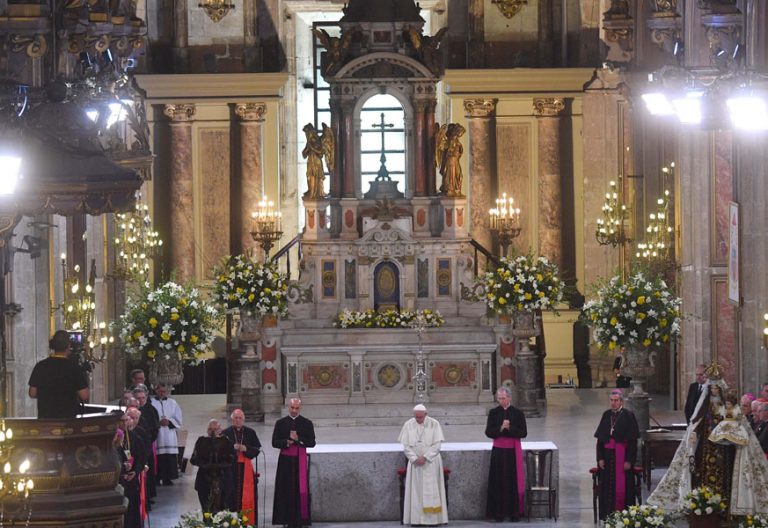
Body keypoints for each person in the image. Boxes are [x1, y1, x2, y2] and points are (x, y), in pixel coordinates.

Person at [648, 362, 768, 515]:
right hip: (706, 447)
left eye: (717, 389)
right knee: (703, 473)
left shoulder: (728, 406)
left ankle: (725, 506)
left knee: (725, 474)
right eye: (712, 388)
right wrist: (693, 434)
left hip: (724, 447)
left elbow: (738, 424)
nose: (714, 391)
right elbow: (698, 422)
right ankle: (705, 504)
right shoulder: (705, 405)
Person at [398, 403, 448, 526]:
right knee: (416, 492)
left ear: (426, 414)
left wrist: (425, 457)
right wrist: (415, 458)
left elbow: (437, 445)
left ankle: (433, 520)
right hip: (415, 464)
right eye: (416, 417)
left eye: (420, 417)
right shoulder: (408, 424)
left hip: (431, 462)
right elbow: (405, 446)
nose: (418, 419)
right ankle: (416, 519)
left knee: (432, 490)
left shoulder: (434, 424)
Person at [594, 389, 639, 520]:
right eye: (611, 400)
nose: (613, 403)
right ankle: (608, 515)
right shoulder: (606, 415)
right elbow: (600, 440)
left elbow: (632, 442)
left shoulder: (628, 415)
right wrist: (600, 458)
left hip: (622, 457)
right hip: (608, 458)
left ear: (621, 402)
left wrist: (629, 461)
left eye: (616, 400)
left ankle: (624, 515)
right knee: (607, 487)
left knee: (624, 487)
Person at [485, 387, 527, 522]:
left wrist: (510, 428)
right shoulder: (493, 413)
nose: (501, 401)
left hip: (512, 453)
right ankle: (498, 514)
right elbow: (488, 432)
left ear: (509, 398)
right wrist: (500, 428)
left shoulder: (518, 413)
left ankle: (514, 513)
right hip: (498, 453)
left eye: (503, 398)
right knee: (498, 481)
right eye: (499, 398)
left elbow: (523, 433)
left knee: (512, 482)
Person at [272, 398, 316, 528]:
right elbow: (274, 442)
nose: (294, 410)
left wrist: (299, 439)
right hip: (285, 462)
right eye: (292, 408)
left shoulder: (307, 423)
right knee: (285, 489)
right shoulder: (280, 423)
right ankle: (285, 519)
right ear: (288, 407)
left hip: (300, 461)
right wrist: (287, 442)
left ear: (300, 408)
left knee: (300, 490)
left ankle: (300, 520)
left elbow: (312, 442)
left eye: (297, 408)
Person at [28, 330, 89, 419]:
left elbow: (32, 393)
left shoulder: (40, 366)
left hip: (45, 420)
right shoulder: (74, 367)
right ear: (69, 345)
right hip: (68, 421)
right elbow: (84, 395)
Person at [223, 409, 261, 521]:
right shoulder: (226, 433)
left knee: (247, 496)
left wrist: (246, 449)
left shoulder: (250, 432)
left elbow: (257, 449)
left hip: (246, 470)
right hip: (231, 470)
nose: (238, 420)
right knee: (230, 495)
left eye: (240, 418)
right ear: (232, 419)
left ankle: (247, 521)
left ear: (243, 419)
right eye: (236, 418)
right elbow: (221, 451)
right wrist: (232, 449)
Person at [190, 419, 235, 514]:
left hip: (223, 479)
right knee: (207, 510)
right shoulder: (201, 441)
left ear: (220, 429)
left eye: (215, 429)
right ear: (207, 430)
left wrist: (220, 463)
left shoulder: (226, 441)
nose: (213, 432)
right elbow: (193, 459)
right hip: (204, 480)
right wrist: (205, 464)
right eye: (210, 429)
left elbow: (233, 458)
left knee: (223, 511)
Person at [118, 409, 147, 528]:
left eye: (126, 420)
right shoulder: (112, 439)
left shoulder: (134, 437)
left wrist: (135, 471)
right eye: (122, 421)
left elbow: (142, 457)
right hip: (119, 481)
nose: (125, 423)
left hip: (131, 480)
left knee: (133, 510)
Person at [151, 383, 182, 486]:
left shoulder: (173, 403)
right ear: (156, 390)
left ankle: (167, 478)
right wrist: (157, 423)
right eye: (160, 391)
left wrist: (169, 422)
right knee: (158, 457)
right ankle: (156, 478)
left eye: (164, 391)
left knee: (169, 456)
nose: (162, 393)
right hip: (158, 433)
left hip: (169, 433)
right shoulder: (151, 402)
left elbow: (178, 417)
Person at [133, 385, 159, 504]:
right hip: (137, 447)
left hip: (148, 445)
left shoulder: (151, 409)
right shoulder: (131, 412)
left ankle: (148, 497)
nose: (141, 400)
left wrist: (149, 441)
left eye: (143, 398)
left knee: (148, 474)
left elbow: (155, 428)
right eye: (138, 398)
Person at [302, 123, 334, 199]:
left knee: (316, 176)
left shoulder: (318, 141)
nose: (306, 135)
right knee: (309, 176)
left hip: (317, 162)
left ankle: (315, 193)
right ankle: (311, 191)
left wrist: (312, 148)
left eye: (307, 133)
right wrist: (307, 149)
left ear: (311, 133)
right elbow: (304, 155)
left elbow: (320, 153)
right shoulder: (309, 143)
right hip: (310, 161)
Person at [435, 123, 465, 198]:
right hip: (451, 162)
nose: (461, 134)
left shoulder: (456, 140)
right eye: (460, 133)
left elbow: (460, 151)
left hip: (455, 161)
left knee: (459, 176)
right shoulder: (451, 140)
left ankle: (456, 189)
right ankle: (449, 188)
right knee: (451, 176)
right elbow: (448, 151)